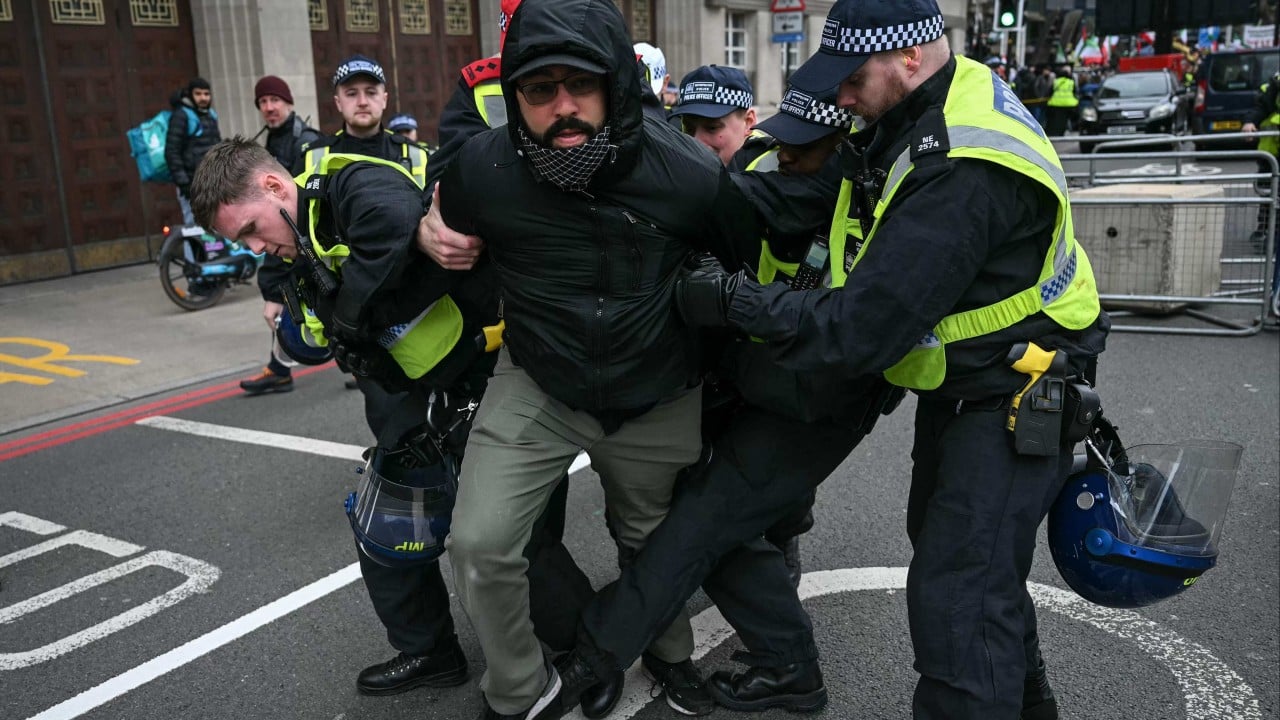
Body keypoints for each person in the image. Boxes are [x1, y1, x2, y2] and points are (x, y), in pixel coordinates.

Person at [667, 1, 1110, 718]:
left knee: (958, 597)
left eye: (852, 79)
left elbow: (864, 330)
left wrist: (733, 301)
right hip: (976, 378)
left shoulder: (960, 168)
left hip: (1016, 387)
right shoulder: (933, 103)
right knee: (966, 567)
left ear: (909, 57)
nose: (841, 97)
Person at [431, 0, 758, 717]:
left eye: (581, 83)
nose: (563, 106)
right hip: (539, 380)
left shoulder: (690, 174)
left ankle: (670, 655)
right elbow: (440, 244)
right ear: (515, 93)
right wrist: (425, 231)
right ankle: (517, 691)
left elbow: (744, 273)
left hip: (658, 386)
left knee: (651, 542)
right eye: (539, 88)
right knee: (479, 542)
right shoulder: (481, 167)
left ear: (614, 82)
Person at [238, 75, 322, 397]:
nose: (269, 107)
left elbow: (286, 219)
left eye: (275, 100)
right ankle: (279, 369)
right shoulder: (269, 144)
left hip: (308, 245)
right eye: (263, 102)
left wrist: (273, 289)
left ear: (289, 102)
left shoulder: (306, 142)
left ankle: (280, 370)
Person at [669, 65, 760, 167]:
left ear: (748, 122)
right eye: (689, 128)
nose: (696, 141)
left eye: (712, 128)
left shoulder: (769, 169)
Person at [165, 77, 221, 225]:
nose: (203, 98)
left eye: (206, 94)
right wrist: (184, 184)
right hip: (192, 184)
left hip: (213, 183)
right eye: (198, 94)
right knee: (196, 228)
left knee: (217, 226)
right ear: (190, 94)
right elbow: (172, 152)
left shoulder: (210, 115)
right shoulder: (181, 115)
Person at [1045, 64, 1078, 136]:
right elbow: (1075, 92)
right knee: (1064, 121)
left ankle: (1056, 133)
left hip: (1055, 104)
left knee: (1056, 121)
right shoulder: (1071, 82)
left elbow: (1050, 92)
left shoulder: (1056, 81)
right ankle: (1064, 132)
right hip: (1068, 104)